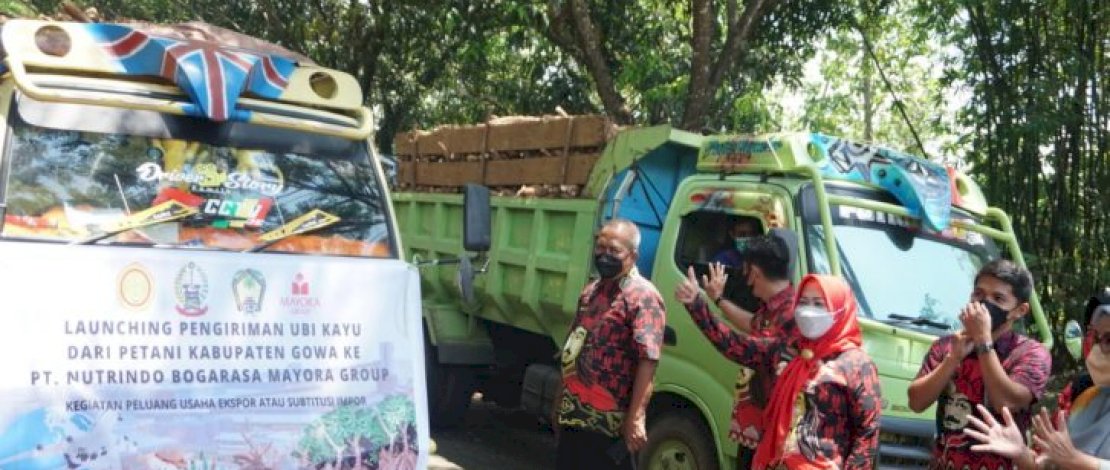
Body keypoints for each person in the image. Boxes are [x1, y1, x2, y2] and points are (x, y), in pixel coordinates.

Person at [682, 273, 881, 469]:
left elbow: (867, 434)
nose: (808, 311)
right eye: (803, 302)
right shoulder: (789, 350)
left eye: (819, 304)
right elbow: (734, 345)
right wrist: (697, 306)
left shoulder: (857, 365)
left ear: (840, 310)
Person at [907, 259, 1051, 469]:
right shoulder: (947, 346)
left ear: (1019, 310)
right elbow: (916, 402)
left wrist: (984, 342)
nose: (984, 304)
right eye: (979, 294)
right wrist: (952, 359)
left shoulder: (1031, 353)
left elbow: (1006, 403)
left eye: (998, 298)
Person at [675, 230, 798, 469]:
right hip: (756, 425)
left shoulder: (791, 315)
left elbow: (741, 347)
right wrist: (718, 299)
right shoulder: (776, 307)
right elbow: (753, 325)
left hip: (772, 430)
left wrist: (698, 307)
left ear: (753, 272)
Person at [554, 219, 666, 470]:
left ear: (633, 255)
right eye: (600, 247)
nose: (605, 255)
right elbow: (574, 347)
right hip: (575, 415)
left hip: (609, 424)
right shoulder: (591, 291)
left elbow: (647, 361)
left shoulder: (643, 297)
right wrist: (559, 399)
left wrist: (636, 417)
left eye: (614, 250)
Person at [964, 288, 1110, 469]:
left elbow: (1067, 458)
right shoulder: (1082, 394)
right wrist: (1020, 452)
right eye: (1094, 336)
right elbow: (1046, 463)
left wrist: (1076, 461)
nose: (1097, 348)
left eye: (1108, 340)